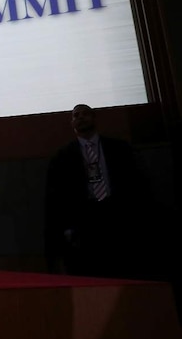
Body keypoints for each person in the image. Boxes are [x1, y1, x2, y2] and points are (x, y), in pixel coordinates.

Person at [44, 104, 151, 279]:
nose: (80, 118)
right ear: (72, 122)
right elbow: (57, 197)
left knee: (122, 267)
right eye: (76, 115)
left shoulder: (119, 149)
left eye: (85, 114)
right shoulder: (63, 156)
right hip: (84, 218)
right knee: (89, 270)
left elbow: (136, 183)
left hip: (116, 213)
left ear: (94, 118)